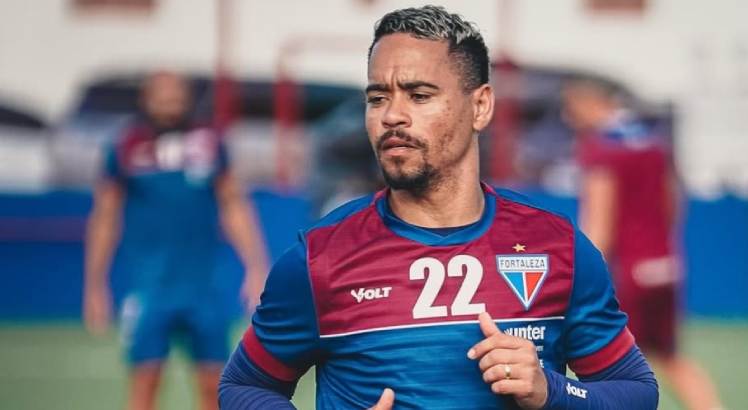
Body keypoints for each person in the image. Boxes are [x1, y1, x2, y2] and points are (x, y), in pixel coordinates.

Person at [219, 6, 658, 409]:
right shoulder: (319, 259)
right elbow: (243, 388)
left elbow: (637, 392)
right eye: (377, 98)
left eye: (419, 95)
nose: (391, 115)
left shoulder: (557, 247)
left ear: (480, 106)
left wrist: (553, 391)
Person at [83, 70, 269, 410]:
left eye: (177, 96)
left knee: (216, 387)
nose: (171, 104)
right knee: (145, 384)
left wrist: (256, 267)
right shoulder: (126, 146)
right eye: (163, 96)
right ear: (146, 99)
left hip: (204, 289)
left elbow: (234, 205)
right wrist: (95, 284)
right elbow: (105, 217)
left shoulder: (210, 143)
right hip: (150, 289)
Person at [563, 76, 724, 410]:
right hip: (664, 265)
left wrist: (583, 271)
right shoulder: (653, 143)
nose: (569, 117)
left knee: (606, 367)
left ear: (590, 103)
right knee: (670, 357)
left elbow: (600, 218)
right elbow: (674, 202)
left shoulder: (601, 148)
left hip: (629, 273)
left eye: (572, 107)